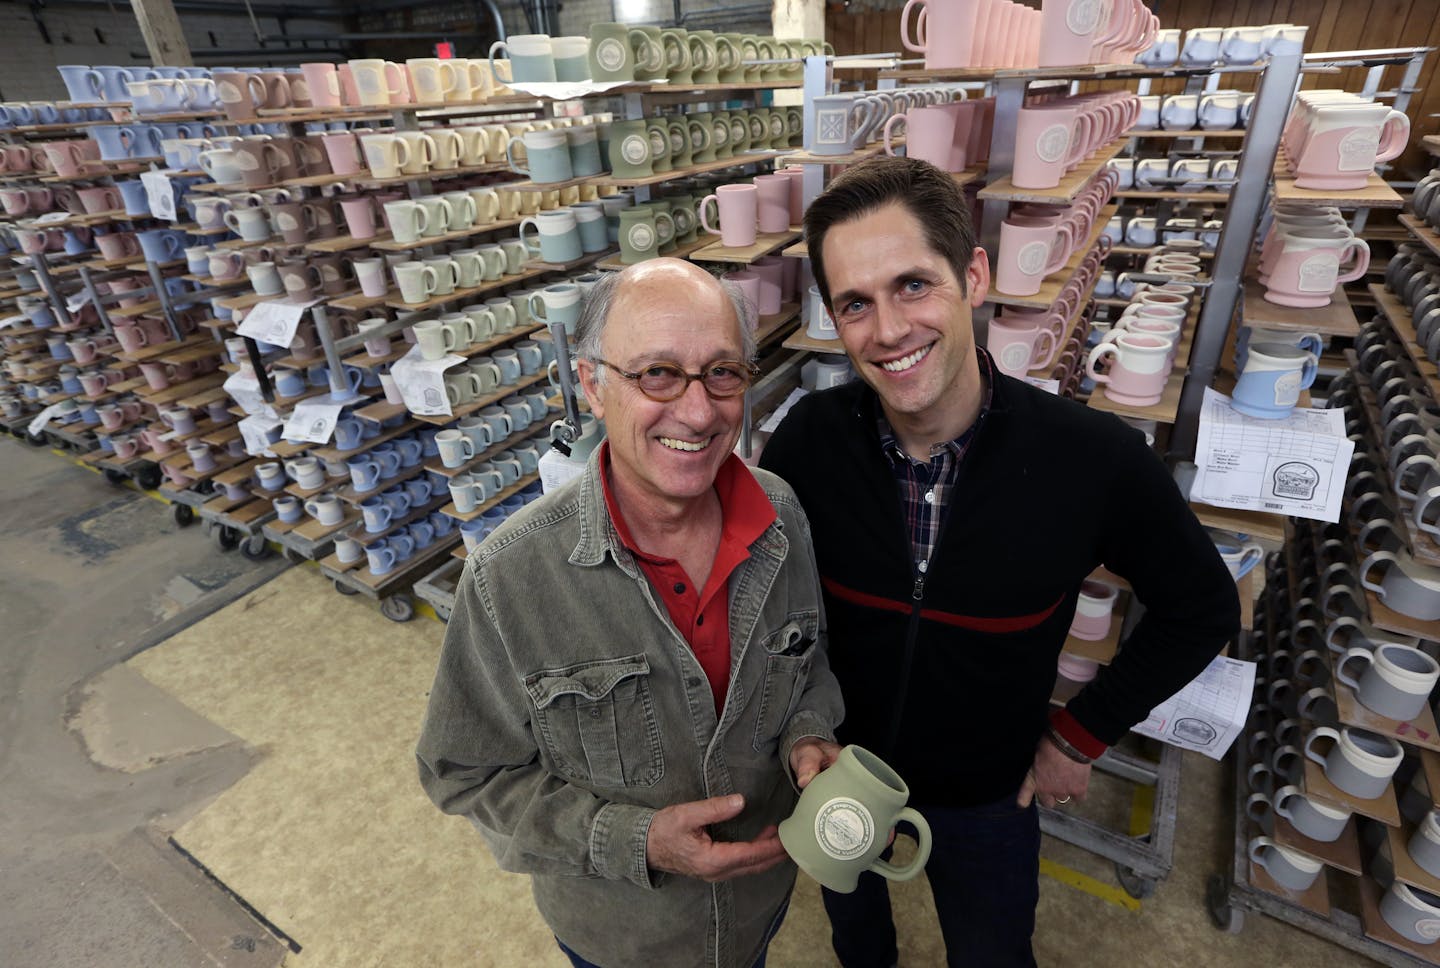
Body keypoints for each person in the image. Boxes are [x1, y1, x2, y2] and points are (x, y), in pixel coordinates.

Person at [759, 156, 1238, 967]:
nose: (887, 329)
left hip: (988, 795)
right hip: (839, 769)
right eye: (854, 303)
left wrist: (1079, 736)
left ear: (973, 275)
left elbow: (1202, 608)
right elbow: (773, 601)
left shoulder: (1092, 460)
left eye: (913, 285)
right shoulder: (810, 439)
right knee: (858, 939)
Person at [416, 259, 844, 968]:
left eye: (722, 373)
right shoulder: (511, 579)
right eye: (657, 374)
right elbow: (465, 771)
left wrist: (807, 734)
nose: (700, 411)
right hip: (622, 941)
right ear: (592, 384)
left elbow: (808, 664)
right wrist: (634, 839)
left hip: (758, 908)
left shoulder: (781, 516)